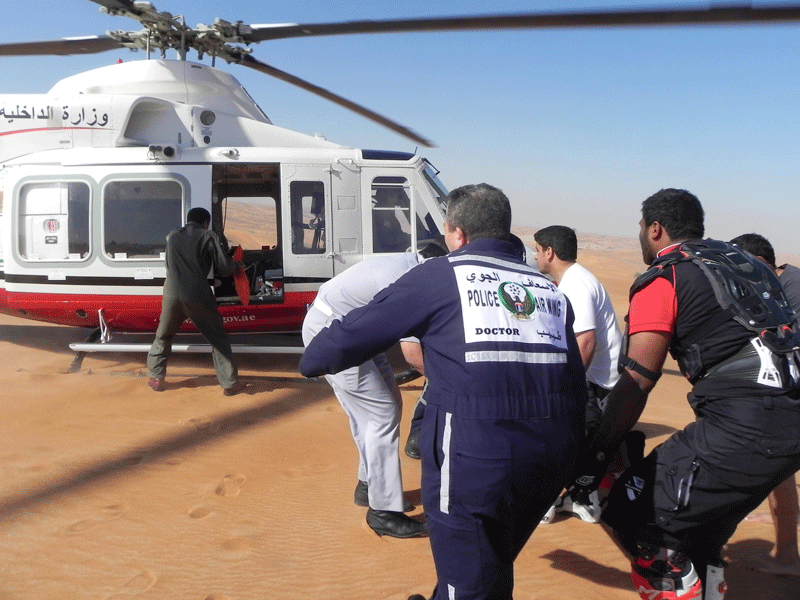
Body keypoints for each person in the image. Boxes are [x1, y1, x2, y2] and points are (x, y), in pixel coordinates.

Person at [300, 183, 588, 600]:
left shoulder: (439, 274)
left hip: (476, 456)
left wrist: (312, 358)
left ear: (456, 233)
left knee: (471, 573)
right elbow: (573, 378)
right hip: (553, 455)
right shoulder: (547, 290)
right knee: (487, 562)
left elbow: (342, 341)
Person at [571, 189, 800, 600]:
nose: (640, 235)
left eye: (641, 228)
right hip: (789, 420)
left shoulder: (665, 276)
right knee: (699, 536)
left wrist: (595, 458)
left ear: (655, 228)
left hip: (742, 426)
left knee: (631, 515)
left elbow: (638, 379)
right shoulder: (749, 264)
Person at [302, 243, 446, 539]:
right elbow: (411, 352)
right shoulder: (408, 279)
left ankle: (369, 485)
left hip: (352, 331)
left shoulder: (407, 263)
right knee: (380, 415)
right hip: (334, 334)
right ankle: (383, 511)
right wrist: (445, 381)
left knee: (383, 406)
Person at [533, 225, 623, 524]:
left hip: (598, 384)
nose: (535, 256)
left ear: (549, 252)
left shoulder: (576, 284)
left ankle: (551, 500)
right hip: (595, 381)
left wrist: (567, 388)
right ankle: (580, 497)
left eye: (537, 249)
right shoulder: (572, 281)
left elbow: (585, 340)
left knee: (558, 433)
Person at [730, 232, 800, 578]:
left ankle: (787, 557)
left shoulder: (791, 293)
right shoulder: (780, 286)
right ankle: (786, 554)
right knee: (779, 471)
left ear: (758, 264)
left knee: (780, 470)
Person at [146, 207, 243, 395]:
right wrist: (237, 266)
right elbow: (224, 266)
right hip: (196, 292)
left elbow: (168, 265)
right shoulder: (208, 236)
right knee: (216, 337)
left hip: (171, 292)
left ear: (188, 220)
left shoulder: (172, 236)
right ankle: (229, 383)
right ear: (205, 222)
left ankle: (156, 377)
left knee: (164, 335)